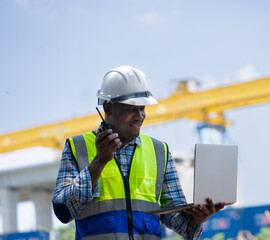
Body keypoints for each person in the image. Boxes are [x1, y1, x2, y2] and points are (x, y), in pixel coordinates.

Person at [52, 65, 226, 240]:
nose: (140, 116)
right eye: (131, 109)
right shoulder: (77, 147)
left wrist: (196, 219)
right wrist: (99, 162)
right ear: (108, 107)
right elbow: (63, 211)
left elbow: (177, 219)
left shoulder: (160, 151)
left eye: (142, 108)